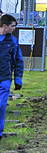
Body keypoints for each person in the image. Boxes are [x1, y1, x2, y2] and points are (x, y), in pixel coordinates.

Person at [0, 14, 23, 142]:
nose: (15, 28)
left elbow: (18, 61)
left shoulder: (13, 42)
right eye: (13, 26)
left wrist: (18, 79)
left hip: (5, 78)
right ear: (5, 26)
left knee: (1, 105)